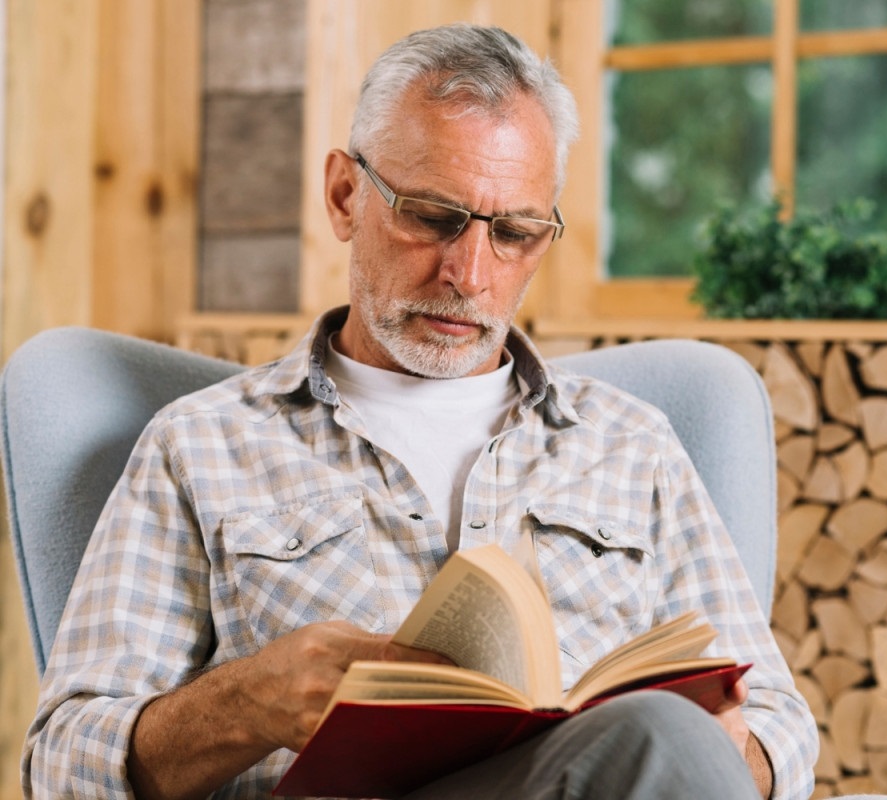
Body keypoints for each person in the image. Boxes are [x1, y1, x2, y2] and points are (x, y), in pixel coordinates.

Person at [23, 23, 817, 799]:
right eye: (433, 217)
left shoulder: (630, 445)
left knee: (664, 737)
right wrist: (250, 702)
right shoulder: (200, 445)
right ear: (343, 195)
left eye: (515, 231)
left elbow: (779, 722)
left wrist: (722, 754)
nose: (470, 272)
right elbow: (59, 767)